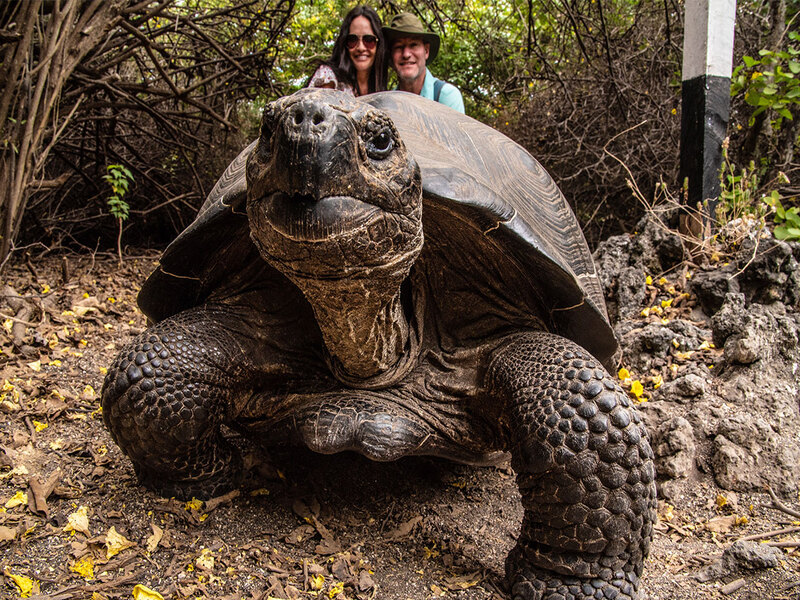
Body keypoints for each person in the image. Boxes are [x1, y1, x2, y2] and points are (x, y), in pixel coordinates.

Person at [382, 12, 464, 113]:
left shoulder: (446, 96)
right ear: (391, 54)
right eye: (399, 47)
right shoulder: (387, 103)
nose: (406, 54)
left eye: (413, 45)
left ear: (426, 51)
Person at [307, 5, 387, 97]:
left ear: (379, 44)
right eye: (352, 40)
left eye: (368, 40)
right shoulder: (328, 77)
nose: (361, 48)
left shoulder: (379, 87)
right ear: (344, 43)